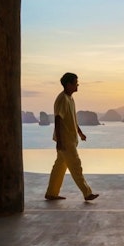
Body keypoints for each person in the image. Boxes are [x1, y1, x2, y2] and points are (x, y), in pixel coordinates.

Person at [45, 72, 98, 202]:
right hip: (65, 140)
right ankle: (87, 193)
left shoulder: (70, 98)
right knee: (76, 165)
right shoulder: (62, 99)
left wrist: (80, 133)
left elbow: (72, 119)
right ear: (68, 85)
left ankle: (51, 193)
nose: (77, 85)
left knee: (59, 167)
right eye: (75, 82)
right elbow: (58, 119)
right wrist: (59, 141)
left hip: (70, 139)